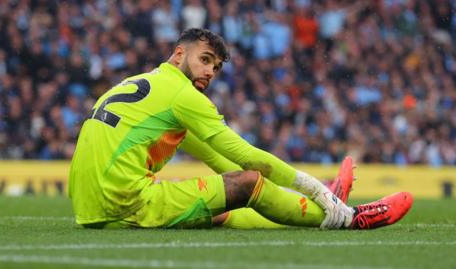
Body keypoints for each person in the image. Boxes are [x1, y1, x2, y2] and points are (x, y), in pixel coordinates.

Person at [69, 28, 412, 230]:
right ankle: (347, 218)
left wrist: (302, 193)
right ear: (178, 55)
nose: (210, 72)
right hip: (124, 205)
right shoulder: (182, 95)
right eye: (204, 59)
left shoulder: (145, 84)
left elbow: (220, 162)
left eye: (215, 67)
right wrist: (314, 189)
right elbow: (246, 159)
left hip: (87, 209)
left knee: (226, 202)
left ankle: (322, 203)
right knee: (249, 183)